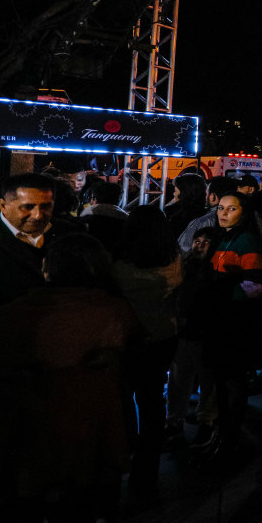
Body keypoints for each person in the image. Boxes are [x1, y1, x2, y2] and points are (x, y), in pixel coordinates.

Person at [0, 234, 138, 523]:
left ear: (47, 269)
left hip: (19, 443)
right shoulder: (115, 314)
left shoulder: (5, 318)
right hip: (85, 444)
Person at [110, 205, 183, 504]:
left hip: (126, 338)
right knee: (153, 404)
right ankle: (146, 479)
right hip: (163, 336)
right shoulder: (174, 257)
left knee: (119, 403)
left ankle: (116, 473)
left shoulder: (118, 261)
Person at [200, 191, 262, 465]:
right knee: (221, 383)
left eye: (231, 209)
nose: (223, 213)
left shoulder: (246, 239)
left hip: (235, 324)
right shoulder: (222, 237)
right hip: (219, 322)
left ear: (244, 212)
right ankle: (221, 435)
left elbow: (255, 284)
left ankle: (229, 438)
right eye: (220, 208)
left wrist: (224, 295)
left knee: (232, 383)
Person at [0, 172, 75, 319]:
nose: (37, 215)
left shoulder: (69, 235)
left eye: (45, 206)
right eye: (27, 207)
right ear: (3, 206)